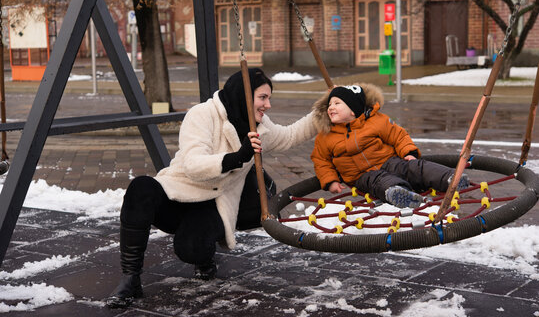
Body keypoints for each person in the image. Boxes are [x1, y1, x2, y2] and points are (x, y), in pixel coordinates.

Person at [106, 68, 317, 308]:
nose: (268, 105)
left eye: (269, 98)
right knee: (140, 188)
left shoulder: (260, 127)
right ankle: (130, 278)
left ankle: (204, 258)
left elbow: (290, 135)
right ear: (243, 96)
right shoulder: (202, 114)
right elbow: (193, 164)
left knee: (191, 249)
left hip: (216, 200)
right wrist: (237, 157)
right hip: (180, 190)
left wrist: (327, 110)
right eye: (263, 97)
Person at [310, 83, 468, 208]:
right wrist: (330, 181)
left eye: (337, 103)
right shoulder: (325, 136)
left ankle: (450, 178)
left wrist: (409, 151)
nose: (331, 107)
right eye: (330, 104)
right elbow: (320, 160)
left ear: (353, 110)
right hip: (361, 176)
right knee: (380, 182)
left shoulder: (376, 121)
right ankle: (400, 194)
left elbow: (397, 135)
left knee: (414, 167)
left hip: (388, 161)